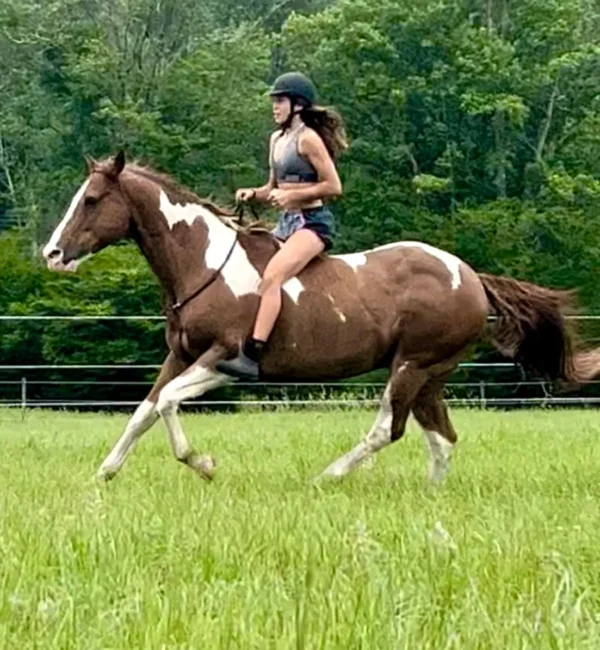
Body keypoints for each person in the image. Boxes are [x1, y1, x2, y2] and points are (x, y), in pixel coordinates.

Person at [215, 71, 348, 380]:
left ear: (298, 105)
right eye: (274, 101)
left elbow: (333, 186)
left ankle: (253, 354)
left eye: (280, 101)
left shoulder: (309, 139)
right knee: (254, 271)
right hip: (286, 224)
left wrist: (294, 196)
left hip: (312, 224)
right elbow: (273, 186)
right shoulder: (276, 139)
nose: (274, 107)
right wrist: (254, 193)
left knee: (273, 277)